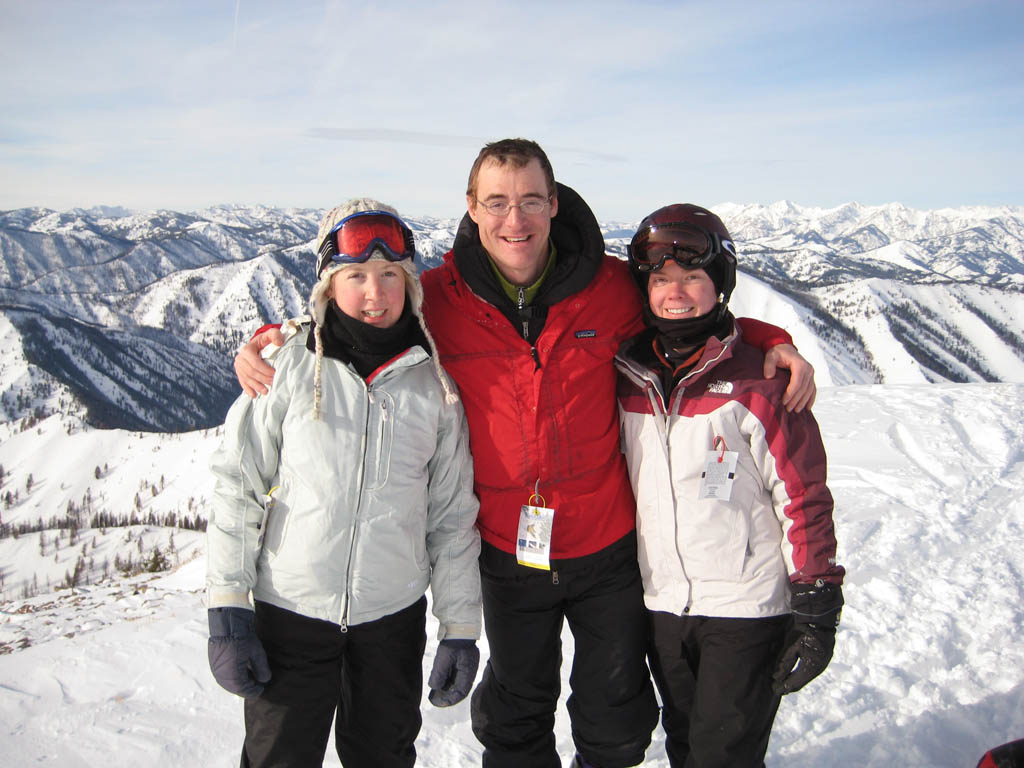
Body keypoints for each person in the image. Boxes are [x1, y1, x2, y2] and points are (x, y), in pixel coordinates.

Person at [233, 140, 817, 768]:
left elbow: (684, 312)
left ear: (553, 203)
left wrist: (770, 339)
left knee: (614, 709)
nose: (517, 219)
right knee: (516, 707)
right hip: (510, 551)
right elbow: (358, 317)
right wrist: (277, 340)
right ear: (472, 208)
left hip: (607, 544)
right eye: (498, 202)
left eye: (532, 200)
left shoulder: (611, 285)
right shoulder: (437, 299)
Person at [206, 199, 482, 768]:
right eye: (355, 276)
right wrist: (228, 604)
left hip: (392, 618)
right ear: (329, 286)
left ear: (411, 285)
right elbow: (238, 484)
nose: (374, 294)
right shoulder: (285, 366)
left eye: (390, 276)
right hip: (291, 612)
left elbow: (451, 515)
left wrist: (458, 626)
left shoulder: (434, 389)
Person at [614, 203, 845, 768]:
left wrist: (816, 603)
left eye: (692, 277)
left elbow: (802, 495)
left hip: (745, 607)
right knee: (685, 745)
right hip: (663, 602)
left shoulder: (760, 382)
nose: (676, 292)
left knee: (723, 756)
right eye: (661, 279)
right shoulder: (624, 374)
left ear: (719, 285)